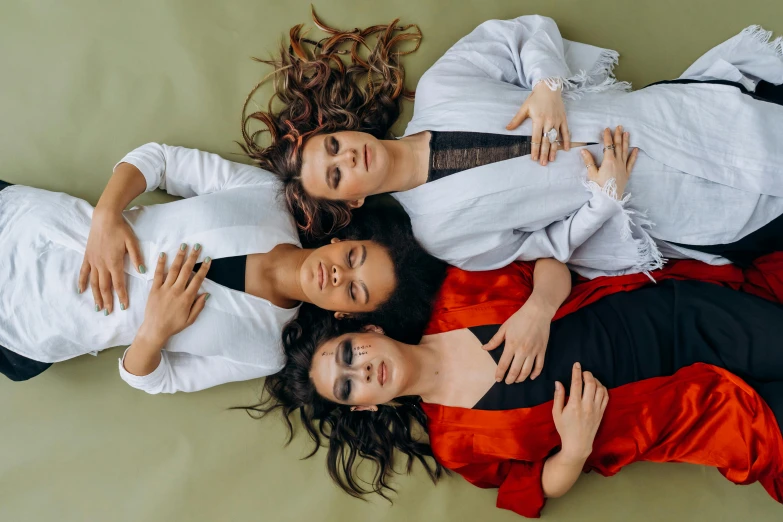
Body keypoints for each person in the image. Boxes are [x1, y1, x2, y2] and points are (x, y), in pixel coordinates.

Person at [242, 11, 783, 381]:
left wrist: (547, 86)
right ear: (352, 203)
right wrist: (604, 199)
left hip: (677, 122)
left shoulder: (440, 88)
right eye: (335, 176)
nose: (346, 158)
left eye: (333, 146)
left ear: (346, 130)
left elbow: (526, 32)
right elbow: (550, 247)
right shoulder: (442, 234)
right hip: (674, 207)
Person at [245, 255, 783, 518]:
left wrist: (539, 307)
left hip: (670, 315)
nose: (358, 370)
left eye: (346, 354)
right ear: (363, 407)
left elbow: (547, 257)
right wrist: (574, 448)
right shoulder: (458, 444)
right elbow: (535, 489)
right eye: (346, 387)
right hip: (683, 410)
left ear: (369, 330)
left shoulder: (456, 293)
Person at [0, 144, 445, 392]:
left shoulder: (266, 351)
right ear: (343, 241)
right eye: (353, 260)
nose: (337, 275)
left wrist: (154, 330)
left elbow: (157, 380)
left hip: (30, 327)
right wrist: (106, 215)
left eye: (354, 291)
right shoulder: (266, 197)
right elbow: (161, 160)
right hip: (27, 226)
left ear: (347, 316)